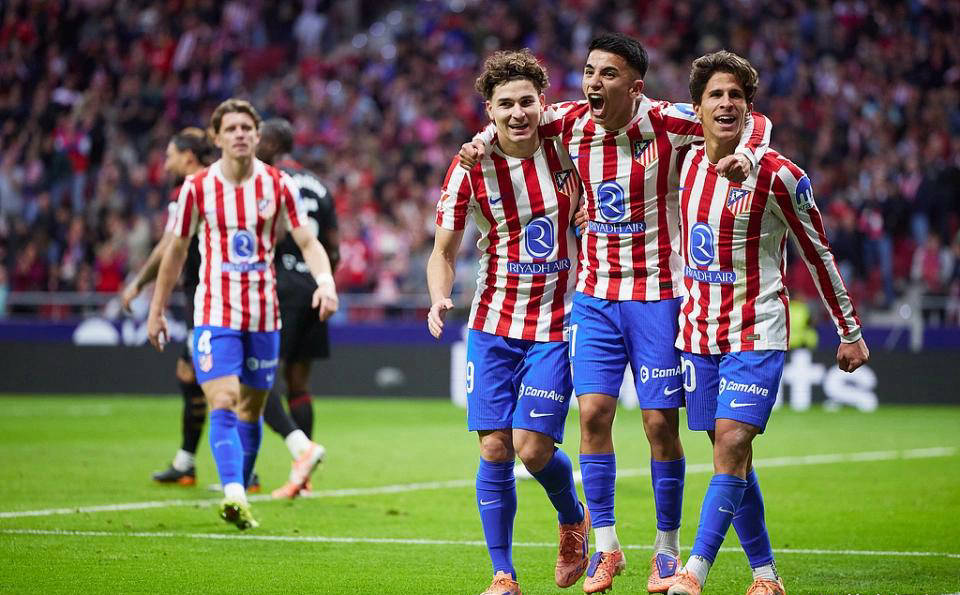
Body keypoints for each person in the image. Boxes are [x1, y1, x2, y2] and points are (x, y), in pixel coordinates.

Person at [461, 33, 771, 594]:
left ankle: (666, 549)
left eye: (607, 74)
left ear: (635, 85)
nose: (593, 83)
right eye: (589, 71)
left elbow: (754, 121)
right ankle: (605, 545)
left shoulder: (669, 121)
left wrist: (746, 154)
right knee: (593, 415)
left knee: (659, 425)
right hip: (594, 297)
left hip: (657, 296)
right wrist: (480, 141)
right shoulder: (570, 121)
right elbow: (512, 119)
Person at [666, 51, 869, 595]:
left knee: (732, 444)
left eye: (736, 95)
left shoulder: (780, 175)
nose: (726, 103)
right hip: (699, 332)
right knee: (731, 455)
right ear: (697, 107)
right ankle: (765, 576)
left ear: (749, 107)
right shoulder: (686, 162)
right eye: (715, 94)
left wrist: (848, 330)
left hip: (757, 328)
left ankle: (694, 571)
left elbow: (817, 253)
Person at [428, 49, 589, 595]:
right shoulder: (469, 167)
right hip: (492, 323)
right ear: (489, 111)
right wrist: (438, 298)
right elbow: (443, 251)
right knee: (494, 447)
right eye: (505, 105)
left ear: (543, 103)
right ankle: (503, 574)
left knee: (533, 448)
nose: (518, 113)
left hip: (555, 324)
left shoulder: (568, 143)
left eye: (526, 101)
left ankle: (573, 518)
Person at [146, 99, 339, 530]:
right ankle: (233, 492)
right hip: (215, 311)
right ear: (216, 137)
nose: (240, 134)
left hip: (265, 314)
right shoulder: (197, 188)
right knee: (223, 399)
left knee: (252, 408)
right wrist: (156, 310)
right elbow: (175, 251)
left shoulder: (279, 184)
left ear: (257, 135)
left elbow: (308, 241)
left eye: (247, 128)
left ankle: (242, 491)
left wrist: (326, 282)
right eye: (231, 128)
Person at [120, 128, 236, 488]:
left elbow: (169, 248)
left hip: (209, 297)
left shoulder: (193, 190)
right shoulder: (224, 185)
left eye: (170, 155)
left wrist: (139, 283)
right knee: (191, 375)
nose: (166, 162)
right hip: (211, 293)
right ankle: (187, 461)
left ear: (188, 157)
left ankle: (256, 463)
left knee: (224, 383)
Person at [256, 118, 339, 500]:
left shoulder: (269, 181)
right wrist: (323, 283)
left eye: (259, 138)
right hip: (315, 286)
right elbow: (333, 246)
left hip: (279, 286)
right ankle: (303, 477)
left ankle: (276, 460)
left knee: (259, 377)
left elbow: (267, 235)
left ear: (272, 144)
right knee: (299, 385)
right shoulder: (320, 186)